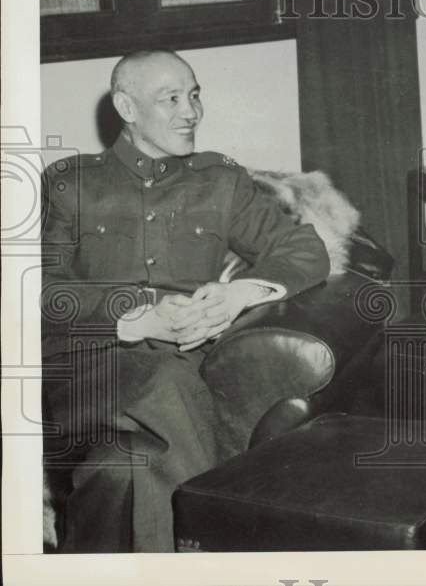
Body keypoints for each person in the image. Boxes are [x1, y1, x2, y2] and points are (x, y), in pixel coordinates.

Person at [41, 50, 331, 552]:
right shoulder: (70, 184)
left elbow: (304, 248)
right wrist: (137, 316)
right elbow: (43, 290)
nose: (191, 112)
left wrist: (240, 292)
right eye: (171, 98)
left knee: (121, 471)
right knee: (168, 380)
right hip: (88, 372)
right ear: (127, 107)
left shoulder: (220, 182)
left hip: (184, 384)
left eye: (194, 95)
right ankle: (224, 538)